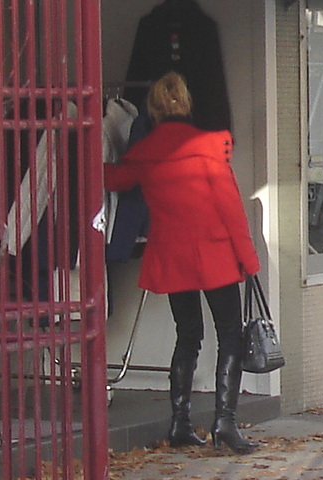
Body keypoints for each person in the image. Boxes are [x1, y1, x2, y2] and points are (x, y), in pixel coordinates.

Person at [104, 72, 261, 454]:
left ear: (153, 109)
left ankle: (180, 422)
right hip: (214, 254)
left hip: (171, 255)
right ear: (186, 103)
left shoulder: (145, 152)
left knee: (187, 335)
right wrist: (249, 261)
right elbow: (230, 209)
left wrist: (80, 151)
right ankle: (224, 421)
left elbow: (116, 180)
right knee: (230, 334)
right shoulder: (209, 146)